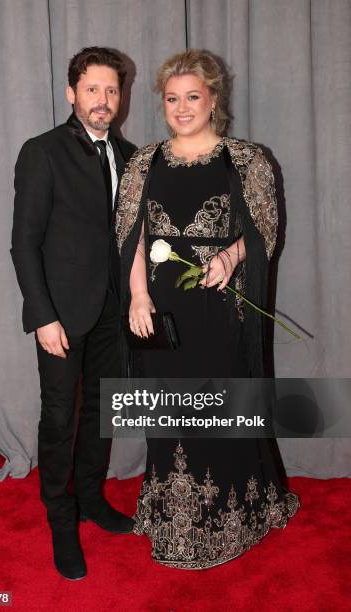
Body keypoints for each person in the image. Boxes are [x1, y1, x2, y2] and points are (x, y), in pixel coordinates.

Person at [115, 49, 300, 569]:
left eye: (192, 97)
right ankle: (170, 518)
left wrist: (230, 255)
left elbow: (262, 232)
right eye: (172, 98)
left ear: (213, 99)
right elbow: (132, 237)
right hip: (160, 310)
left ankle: (234, 516)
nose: (181, 107)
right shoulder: (142, 163)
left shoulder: (245, 160)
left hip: (220, 308)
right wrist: (138, 296)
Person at [11, 47, 137, 580]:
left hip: (115, 309)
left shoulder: (131, 156)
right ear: (71, 93)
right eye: (93, 90)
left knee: (102, 413)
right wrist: (42, 316)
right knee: (60, 417)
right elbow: (23, 244)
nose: (103, 101)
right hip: (60, 312)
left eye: (112, 91)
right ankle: (61, 519)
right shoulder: (42, 152)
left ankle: (89, 498)